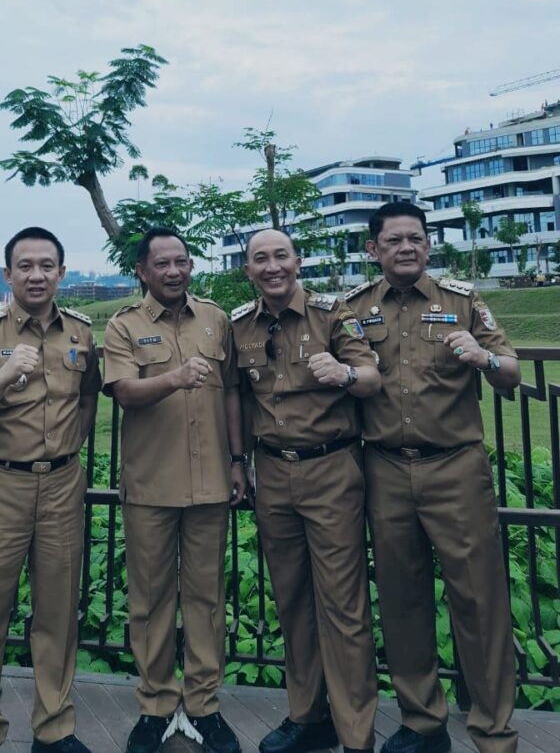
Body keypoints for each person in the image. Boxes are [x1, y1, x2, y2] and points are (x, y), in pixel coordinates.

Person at [346, 202, 520, 753]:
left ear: (428, 246)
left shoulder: (462, 302)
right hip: (386, 469)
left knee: (479, 600)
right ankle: (423, 722)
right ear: (373, 249)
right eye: (393, 240)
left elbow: (511, 371)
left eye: (416, 239)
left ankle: (494, 730)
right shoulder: (352, 310)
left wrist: (484, 359)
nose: (406, 248)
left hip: (455, 468)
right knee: (402, 599)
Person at [0, 226, 101, 753]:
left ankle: (54, 727)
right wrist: (2, 376)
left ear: (62, 272)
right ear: (7, 274)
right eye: (25, 266)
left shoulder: (81, 333)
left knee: (58, 611)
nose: (36, 275)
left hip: (62, 483)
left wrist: (69, 446)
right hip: (0, 484)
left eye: (46, 265)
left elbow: (87, 398)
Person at [232, 229, 380, 753]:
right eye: (259, 259)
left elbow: (370, 377)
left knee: (342, 604)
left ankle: (355, 728)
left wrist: (342, 373)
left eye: (280, 256)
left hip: (331, 469)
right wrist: (237, 460)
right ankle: (307, 715)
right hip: (272, 473)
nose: (271, 266)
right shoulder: (240, 326)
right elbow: (236, 399)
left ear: (296, 262)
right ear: (247, 269)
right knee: (292, 600)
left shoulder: (331, 314)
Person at [103, 227, 247, 753]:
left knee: (206, 600)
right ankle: (156, 705)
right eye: (161, 264)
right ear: (142, 270)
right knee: (150, 601)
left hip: (211, 482)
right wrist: (173, 378)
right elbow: (123, 392)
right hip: (150, 485)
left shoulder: (216, 319)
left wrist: (237, 461)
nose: (173, 271)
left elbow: (231, 392)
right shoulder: (124, 325)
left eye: (181, 261)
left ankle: (204, 706)